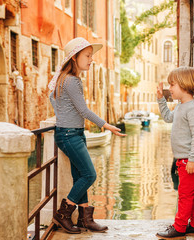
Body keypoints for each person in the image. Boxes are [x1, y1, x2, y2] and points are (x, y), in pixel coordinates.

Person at [48, 37, 126, 234]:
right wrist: (107, 125)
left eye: (91, 56)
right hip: (69, 135)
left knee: (79, 176)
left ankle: (85, 218)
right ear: (74, 57)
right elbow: (83, 110)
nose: (91, 60)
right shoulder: (72, 81)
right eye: (88, 55)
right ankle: (63, 214)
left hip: (71, 133)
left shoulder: (62, 79)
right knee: (90, 174)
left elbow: (58, 104)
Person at [155, 67, 194, 239]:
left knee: (184, 195)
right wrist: (161, 100)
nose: (169, 88)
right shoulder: (181, 106)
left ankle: (179, 227)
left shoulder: (193, 109)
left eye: (172, 85)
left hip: (192, 159)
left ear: (185, 85)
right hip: (186, 159)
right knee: (192, 193)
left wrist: (192, 159)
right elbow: (168, 118)